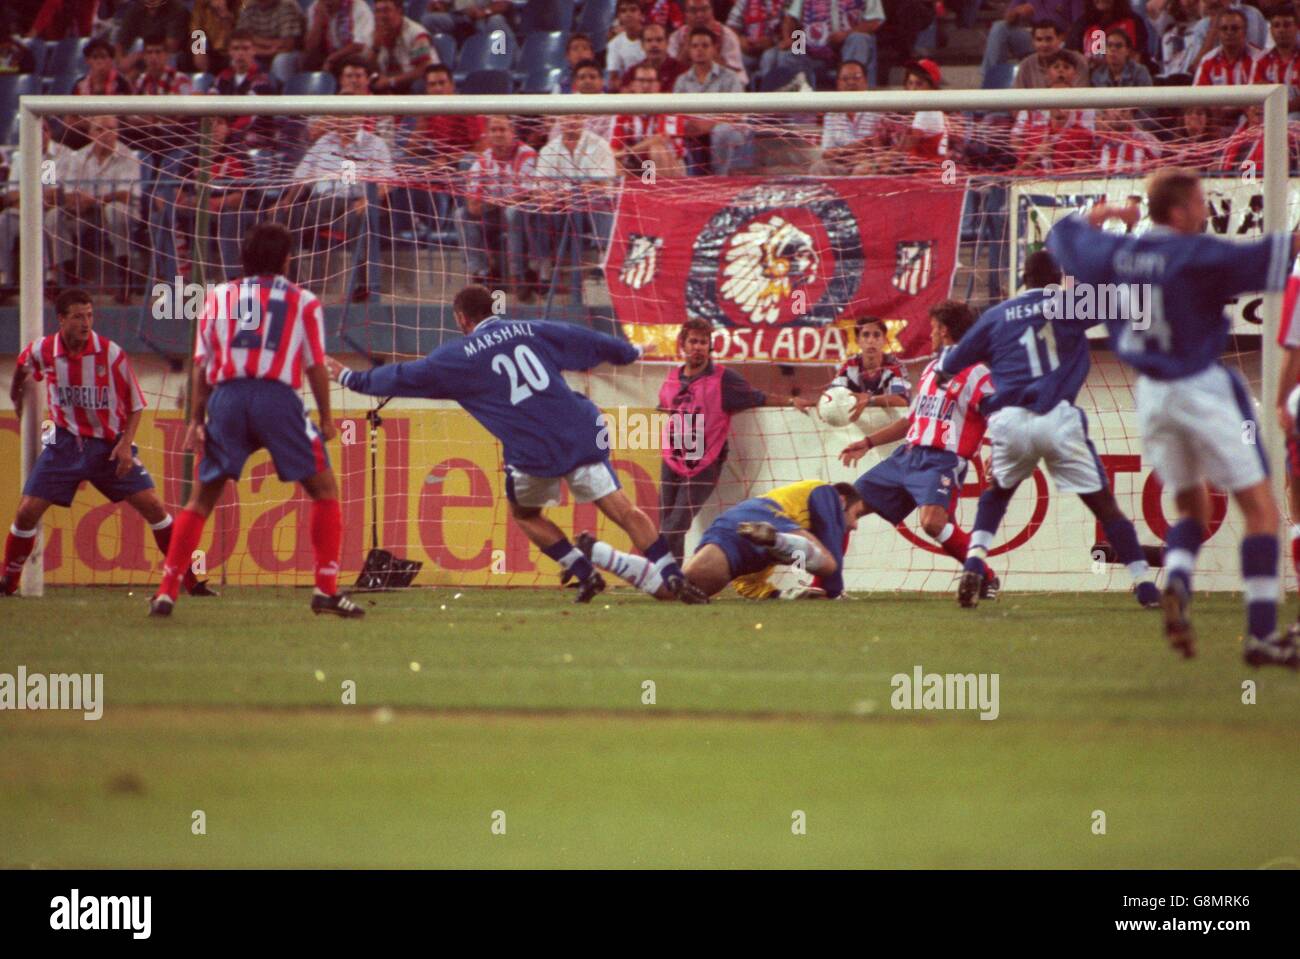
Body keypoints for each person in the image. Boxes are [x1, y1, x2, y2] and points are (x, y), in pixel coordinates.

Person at [1046, 168, 1300, 666]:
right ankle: (1263, 634)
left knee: (1190, 506)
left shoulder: (1114, 255)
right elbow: (1283, 252)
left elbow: (1060, 235)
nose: (1207, 211)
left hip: (1152, 395)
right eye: (1202, 202)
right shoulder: (1200, 254)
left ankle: (1179, 580)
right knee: (1262, 510)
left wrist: (1105, 214)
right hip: (1201, 385)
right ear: (1181, 211)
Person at [326, 284, 706, 605]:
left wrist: (351, 379)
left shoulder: (454, 357)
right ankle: (670, 572)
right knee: (623, 510)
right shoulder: (529, 328)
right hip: (578, 429)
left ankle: (581, 570)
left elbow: (402, 376)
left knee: (525, 515)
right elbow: (582, 339)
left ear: (461, 318)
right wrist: (629, 352)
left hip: (532, 450)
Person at [149, 223, 359, 618]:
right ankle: (326, 589)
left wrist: (196, 419)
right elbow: (314, 366)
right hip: (275, 398)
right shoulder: (303, 301)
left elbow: (201, 366)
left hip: (226, 398)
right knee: (324, 488)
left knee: (201, 498)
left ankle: (166, 590)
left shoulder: (217, 297)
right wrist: (328, 419)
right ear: (285, 259)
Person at [936, 250, 1159, 609]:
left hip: (1009, 420)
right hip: (1057, 417)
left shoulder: (995, 316)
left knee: (997, 493)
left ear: (1023, 279)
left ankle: (975, 558)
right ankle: (1144, 583)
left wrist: (947, 373)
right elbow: (1134, 303)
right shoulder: (1070, 304)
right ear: (1057, 279)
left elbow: (949, 364)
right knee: (1104, 506)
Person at [3, 289, 212, 598]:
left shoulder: (110, 353)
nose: (86, 323)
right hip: (63, 446)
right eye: (77, 317)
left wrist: (126, 444)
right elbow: (22, 367)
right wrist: (16, 397)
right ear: (61, 319)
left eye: (89, 315)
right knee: (26, 512)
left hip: (107, 447)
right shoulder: (43, 350)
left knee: (154, 507)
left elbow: (137, 404)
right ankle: (8, 581)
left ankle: (191, 579)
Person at [839, 300, 1000, 598]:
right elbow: (912, 419)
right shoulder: (931, 369)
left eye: (934, 328)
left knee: (933, 523)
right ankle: (827, 587)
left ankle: (985, 577)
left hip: (942, 461)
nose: (931, 334)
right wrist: (868, 441)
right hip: (907, 456)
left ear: (945, 330)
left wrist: (1000, 452)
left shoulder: (977, 374)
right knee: (844, 507)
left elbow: (999, 415)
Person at [580, 480, 866, 600]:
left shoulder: (805, 524)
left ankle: (601, 554)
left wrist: (781, 596)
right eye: (855, 514)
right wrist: (833, 588)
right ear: (842, 500)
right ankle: (776, 539)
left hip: (734, 531)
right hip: (765, 515)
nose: (853, 525)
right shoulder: (825, 492)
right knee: (826, 563)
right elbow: (832, 568)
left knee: (675, 590)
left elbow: (747, 584)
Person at [657, 317, 792, 565]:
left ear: (710, 347)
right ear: (682, 345)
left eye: (703, 342)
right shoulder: (671, 379)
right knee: (665, 522)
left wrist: (793, 402)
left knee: (675, 525)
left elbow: (758, 397)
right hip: (672, 458)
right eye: (693, 341)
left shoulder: (725, 379)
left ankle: (669, 578)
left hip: (705, 461)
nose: (698, 346)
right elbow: (666, 410)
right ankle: (670, 578)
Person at [462, 115, 540, 297]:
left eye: (503, 129)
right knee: (461, 215)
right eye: (494, 130)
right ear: (487, 135)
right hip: (493, 212)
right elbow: (473, 206)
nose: (498, 134)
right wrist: (497, 201)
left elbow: (524, 196)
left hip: (524, 215)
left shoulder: (527, 154)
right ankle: (481, 274)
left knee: (512, 212)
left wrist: (490, 199)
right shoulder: (482, 161)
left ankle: (518, 275)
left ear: (512, 133)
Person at [794, 315, 910, 418]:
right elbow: (833, 396)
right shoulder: (849, 365)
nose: (871, 340)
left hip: (888, 424)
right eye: (865, 335)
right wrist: (813, 403)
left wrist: (869, 400)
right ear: (857, 341)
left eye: (876, 335)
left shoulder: (895, 366)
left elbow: (902, 400)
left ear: (884, 340)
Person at [370, 0, 435, 93]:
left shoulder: (416, 33)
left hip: (414, 82)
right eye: (378, 11)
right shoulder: (376, 32)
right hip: (390, 81)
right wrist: (375, 48)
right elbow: (370, 68)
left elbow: (424, 70)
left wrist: (390, 81)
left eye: (386, 10)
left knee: (418, 85)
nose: (381, 15)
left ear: (399, 11)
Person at [1014, 19, 1089, 88]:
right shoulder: (1025, 66)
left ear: (1060, 39)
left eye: (1049, 39)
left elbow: (1081, 95)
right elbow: (1017, 97)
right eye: (1039, 40)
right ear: (1033, 41)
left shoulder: (1078, 60)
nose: (1044, 44)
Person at [607, 0, 648, 87]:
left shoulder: (652, 38)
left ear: (641, 15)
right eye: (623, 11)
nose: (628, 14)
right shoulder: (614, 44)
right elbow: (613, 78)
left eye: (633, 10)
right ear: (619, 17)